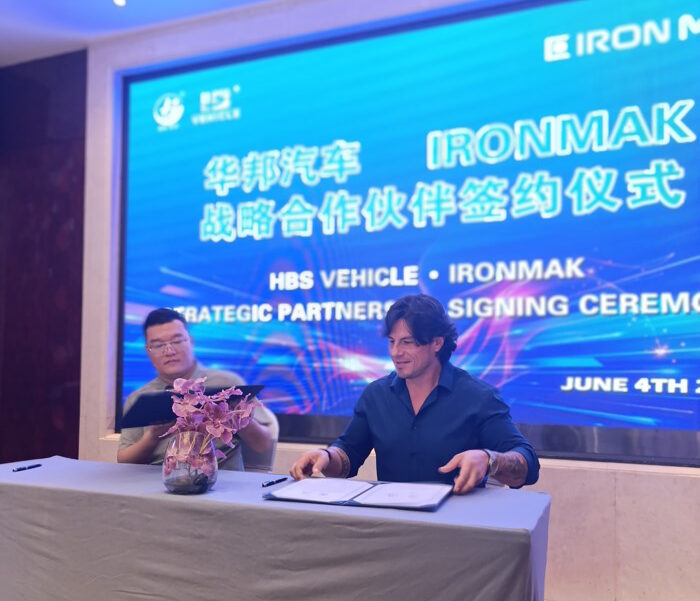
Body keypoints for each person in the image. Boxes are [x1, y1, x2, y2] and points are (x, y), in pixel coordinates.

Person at [290, 294, 539, 493]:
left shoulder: (479, 397)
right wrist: (325, 456)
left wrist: (490, 459)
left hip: (456, 529)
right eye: (392, 342)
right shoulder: (376, 395)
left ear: (437, 343)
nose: (395, 353)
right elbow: (348, 455)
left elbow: (528, 465)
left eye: (407, 342)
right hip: (392, 525)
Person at [118, 308, 273, 470]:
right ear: (147, 351)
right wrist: (152, 437)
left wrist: (242, 422)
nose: (169, 351)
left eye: (177, 341)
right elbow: (123, 461)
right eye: (157, 345)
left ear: (191, 341)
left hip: (221, 479)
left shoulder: (228, 384)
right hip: (159, 479)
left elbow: (264, 446)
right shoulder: (140, 398)